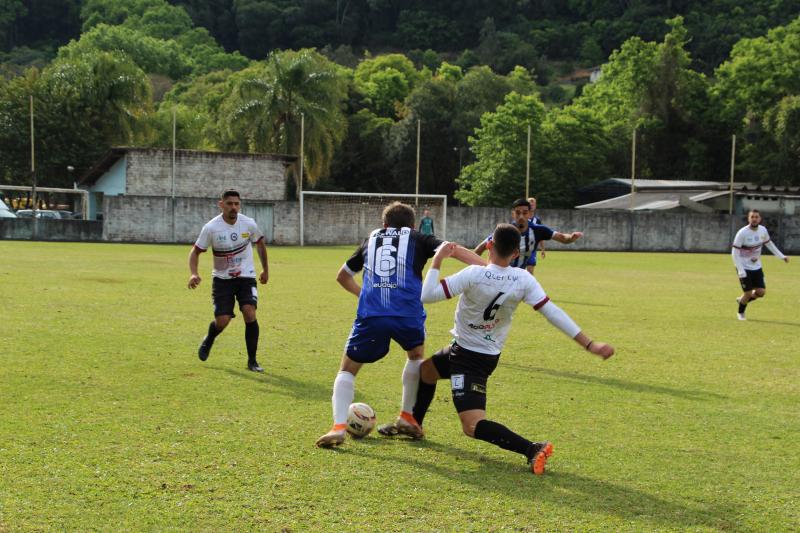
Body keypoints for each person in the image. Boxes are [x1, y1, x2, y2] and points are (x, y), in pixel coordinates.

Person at [380, 224, 614, 475]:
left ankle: (533, 448)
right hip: (480, 353)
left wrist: (437, 259)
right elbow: (553, 313)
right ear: (516, 254)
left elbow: (427, 295)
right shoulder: (524, 279)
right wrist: (589, 343)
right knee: (426, 371)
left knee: (471, 426)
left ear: (489, 245)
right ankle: (414, 424)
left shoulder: (472, 274)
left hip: (469, 359)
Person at [315, 202, 486, 447]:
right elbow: (451, 249)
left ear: (384, 225)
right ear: (413, 225)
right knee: (415, 355)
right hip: (408, 313)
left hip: (372, 313)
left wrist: (364, 295)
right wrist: (488, 267)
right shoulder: (418, 237)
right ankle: (406, 416)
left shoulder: (370, 239)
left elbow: (342, 276)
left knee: (348, 370)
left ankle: (338, 428)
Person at [188, 189, 269, 372]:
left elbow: (260, 243)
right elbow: (195, 252)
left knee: (250, 312)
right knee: (222, 320)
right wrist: (194, 273)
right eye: (230, 203)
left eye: (237, 204)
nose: (234, 207)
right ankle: (209, 339)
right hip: (222, 279)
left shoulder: (248, 224)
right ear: (221, 204)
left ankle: (252, 361)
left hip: (246, 277)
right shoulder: (211, 228)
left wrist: (265, 269)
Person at [474, 199, 582, 274]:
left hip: (519, 276)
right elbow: (479, 248)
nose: (521, 216)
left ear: (530, 214)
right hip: (499, 274)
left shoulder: (538, 230)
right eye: (518, 213)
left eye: (524, 213)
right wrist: (479, 269)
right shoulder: (505, 230)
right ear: (513, 214)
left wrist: (571, 237)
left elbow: (562, 238)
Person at [732, 209, 789, 321]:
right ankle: (741, 313)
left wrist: (781, 256)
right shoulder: (742, 233)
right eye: (752, 217)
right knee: (748, 293)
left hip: (756, 267)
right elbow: (734, 252)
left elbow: (769, 244)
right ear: (748, 219)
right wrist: (740, 269)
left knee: (761, 292)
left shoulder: (763, 230)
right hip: (744, 267)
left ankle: (742, 299)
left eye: (756, 217)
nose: (754, 219)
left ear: (760, 219)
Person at [528, 196, 546, 268]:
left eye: (533, 204)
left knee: (530, 270)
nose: (532, 206)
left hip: (532, 250)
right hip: (521, 249)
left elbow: (540, 235)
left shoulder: (537, 221)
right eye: (530, 204)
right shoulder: (522, 218)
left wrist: (542, 249)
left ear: (535, 206)